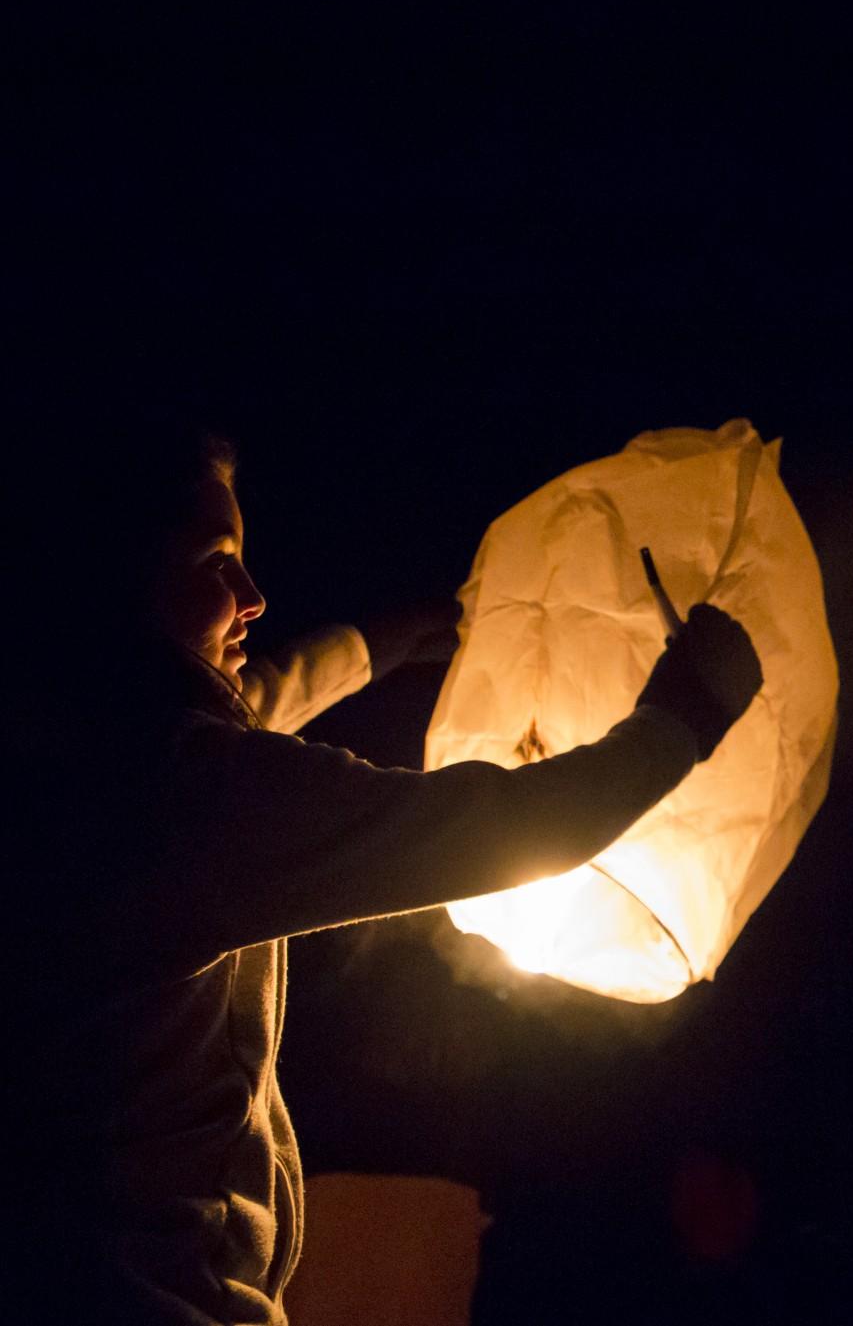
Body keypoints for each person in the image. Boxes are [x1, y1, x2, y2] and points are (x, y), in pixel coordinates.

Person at [7, 423, 763, 1325]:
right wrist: (686, 715)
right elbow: (504, 829)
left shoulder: (77, 764)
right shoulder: (181, 795)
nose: (253, 596)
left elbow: (267, 701)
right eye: (216, 564)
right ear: (120, 585)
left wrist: (383, 640)